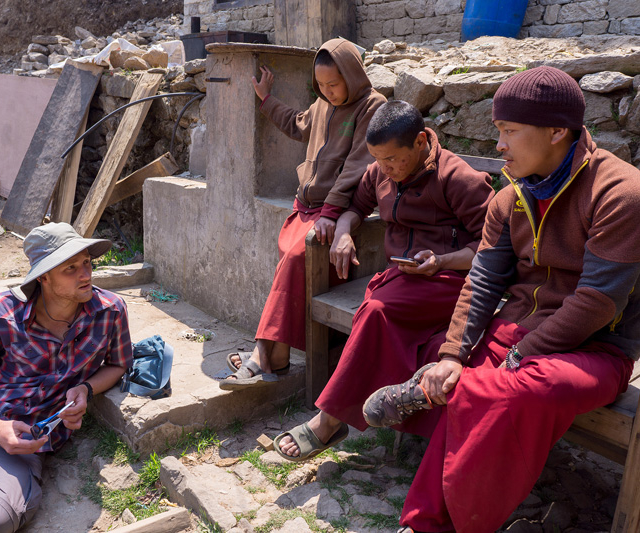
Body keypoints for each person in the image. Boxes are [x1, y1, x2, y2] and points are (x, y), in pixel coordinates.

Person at [363, 66, 640, 533]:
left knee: (512, 389)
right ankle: (422, 523)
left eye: (509, 131)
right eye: (498, 130)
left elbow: (597, 302)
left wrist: (517, 357)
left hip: (594, 349)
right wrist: (453, 354)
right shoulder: (508, 198)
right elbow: (483, 279)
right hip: (517, 331)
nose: (499, 145)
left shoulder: (620, 193)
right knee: (454, 366)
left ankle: (453, 513)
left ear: (557, 131)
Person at [274, 100, 495, 460]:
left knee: (376, 310)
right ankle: (341, 415)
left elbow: (492, 247)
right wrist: (344, 230)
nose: (386, 169)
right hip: (403, 279)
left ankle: (328, 421)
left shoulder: (458, 178)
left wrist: (442, 261)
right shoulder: (379, 173)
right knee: (376, 308)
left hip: (451, 281)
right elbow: (356, 206)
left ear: (421, 141)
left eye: (393, 160)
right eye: (378, 159)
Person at [0, 222, 133, 533]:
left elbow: (119, 364)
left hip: (24, 444)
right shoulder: (2, 313)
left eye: (87, 263)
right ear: (44, 276)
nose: (85, 274)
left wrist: (85, 388)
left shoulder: (110, 312)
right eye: (70, 268)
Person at [221, 38, 387, 390]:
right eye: (321, 85)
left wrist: (330, 211)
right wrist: (266, 101)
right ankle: (276, 355)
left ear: (353, 75)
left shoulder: (371, 106)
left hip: (337, 213)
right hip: (306, 208)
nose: (328, 92)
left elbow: (359, 165)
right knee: (290, 260)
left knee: (297, 258)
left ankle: (262, 354)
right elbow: (298, 125)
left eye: (334, 83)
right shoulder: (324, 103)